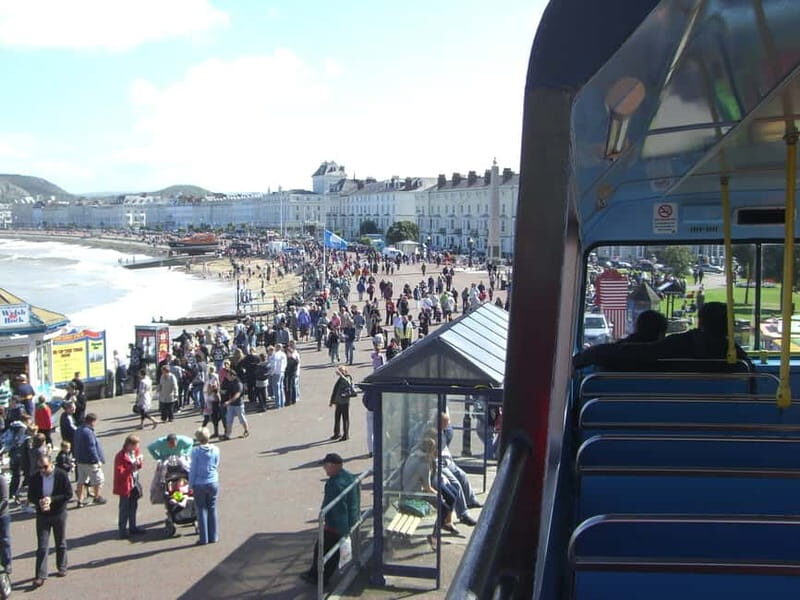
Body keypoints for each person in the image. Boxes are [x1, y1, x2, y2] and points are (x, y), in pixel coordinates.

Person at [573, 302, 751, 371]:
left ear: (700, 322)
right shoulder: (738, 358)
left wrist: (584, 357)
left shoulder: (681, 344)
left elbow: (637, 352)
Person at [300, 453, 359, 587]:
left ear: (332, 466)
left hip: (336, 524)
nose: (324, 469)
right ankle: (314, 574)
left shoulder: (334, 483)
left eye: (325, 466)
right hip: (346, 521)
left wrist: (331, 524)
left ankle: (319, 578)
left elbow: (333, 507)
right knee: (327, 549)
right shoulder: (348, 476)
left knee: (324, 550)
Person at [28, 455, 73, 587]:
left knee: (60, 542)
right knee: (42, 546)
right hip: (42, 515)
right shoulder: (35, 477)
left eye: (45, 467)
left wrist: (52, 499)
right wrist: (39, 502)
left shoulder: (61, 475)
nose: (42, 470)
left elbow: (68, 494)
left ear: (51, 464)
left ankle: (62, 567)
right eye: (40, 467)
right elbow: (31, 496)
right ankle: (40, 575)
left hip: (59, 513)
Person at [189, 427, 220, 545]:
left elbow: (193, 470)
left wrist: (190, 484)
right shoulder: (216, 449)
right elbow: (216, 464)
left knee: (201, 509)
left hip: (199, 483)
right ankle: (214, 536)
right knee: (212, 508)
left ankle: (204, 538)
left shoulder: (195, 452)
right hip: (213, 482)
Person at [113, 434, 145, 539]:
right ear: (129, 445)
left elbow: (138, 466)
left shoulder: (135, 452)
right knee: (124, 508)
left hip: (134, 481)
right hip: (125, 484)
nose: (137, 448)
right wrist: (132, 466)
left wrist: (139, 462)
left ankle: (132, 526)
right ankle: (122, 531)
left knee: (133, 505)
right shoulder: (120, 456)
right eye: (136, 445)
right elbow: (120, 473)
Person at [73, 413, 106, 507]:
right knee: (98, 480)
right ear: (92, 421)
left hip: (80, 460)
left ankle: (80, 500)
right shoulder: (88, 432)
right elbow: (92, 447)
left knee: (81, 481)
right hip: (90, 461)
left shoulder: (78, 430)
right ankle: (97, 496)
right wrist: (97, 459)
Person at [329, 366, 355, 442]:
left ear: (345, 371)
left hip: (345, 402)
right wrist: (332, 401)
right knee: (337, 418)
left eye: (342, 371)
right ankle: (337, 433)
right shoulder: (340, 379)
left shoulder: (348, 377)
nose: (340, 372)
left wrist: (341, 375)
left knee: (345, 418)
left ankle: (346, 435)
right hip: (338, 402)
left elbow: (348, 383)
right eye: (339, 371)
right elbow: (335, 390)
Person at [221, 370, 249, 440]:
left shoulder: (238, 383)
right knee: (229, 419)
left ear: (233, 375)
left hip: (238, 404)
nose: (227, 377)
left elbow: (237, 395)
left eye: (228, 375)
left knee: (242, 419)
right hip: (231, 405)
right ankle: (227, 435)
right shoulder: (229, 382)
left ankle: (246, 431)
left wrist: (229, 401)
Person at [0, 468, 10, 577]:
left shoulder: (1, 480)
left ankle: (7, 564)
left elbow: (4, 500)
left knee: (4, 540)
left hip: (2, 515)